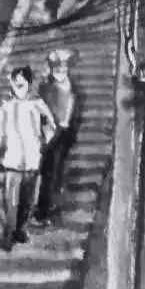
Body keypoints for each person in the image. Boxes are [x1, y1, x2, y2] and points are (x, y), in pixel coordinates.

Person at [0, 66, 56, 251]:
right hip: (12, 160)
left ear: (28, 83)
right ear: (11, 83)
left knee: (27, 199)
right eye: (15, 81)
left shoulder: (37, 104)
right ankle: (9, 233)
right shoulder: (6, 106)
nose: (18, 85)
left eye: (22, 82)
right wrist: (3, 144)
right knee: (11, 200)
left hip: (32, 159)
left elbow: (50, 125)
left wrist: (43, 141)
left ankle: (20, 229)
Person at [35, 49, 83, 225]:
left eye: (64, 66)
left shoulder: (73, 87)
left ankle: (53, 206)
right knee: (48, 172)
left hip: (65, 133)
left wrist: (72, 130)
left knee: (59, 170)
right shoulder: (45, 87)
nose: (61, 69)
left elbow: (76, 110)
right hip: (50, 134)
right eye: (57, 66)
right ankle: (43, 211)